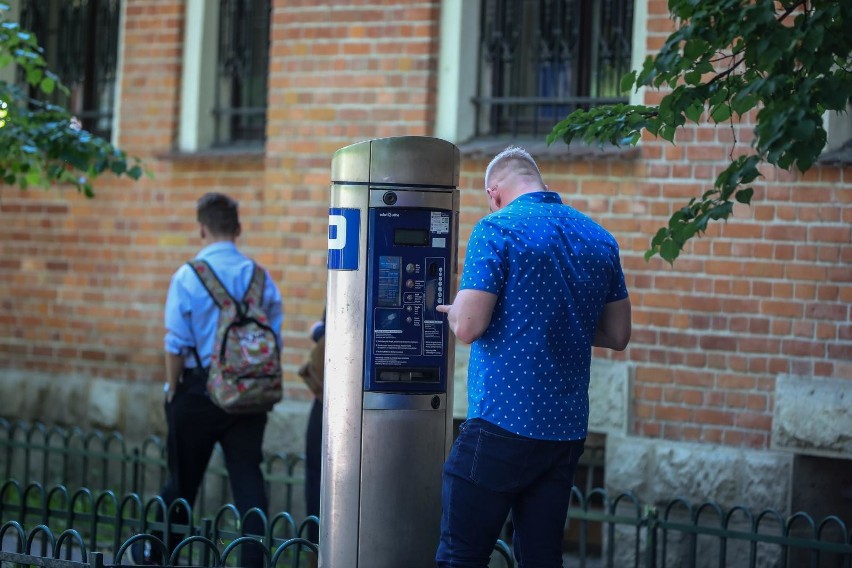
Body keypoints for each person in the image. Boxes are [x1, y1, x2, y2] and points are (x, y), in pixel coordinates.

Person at [435, 147, 631, 568]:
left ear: (495, 192)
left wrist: (456, 314)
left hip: (502, 423)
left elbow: (468, 327)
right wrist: (562, 322)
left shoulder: (497, 228)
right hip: (564, 432)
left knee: (461, 556)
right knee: (541, 559)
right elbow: (618, 334)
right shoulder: (599, 238)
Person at [133, 192, 283, 566]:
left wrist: (172, 390)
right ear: (239, 228)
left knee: (183, 480)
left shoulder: (188, 276)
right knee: (248, 478)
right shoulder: (260, 278)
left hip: (198, 391)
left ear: (201, 229)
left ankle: (159, 553)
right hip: (249, 393)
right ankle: (253, 559)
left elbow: (176, 344)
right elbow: (274, 336)